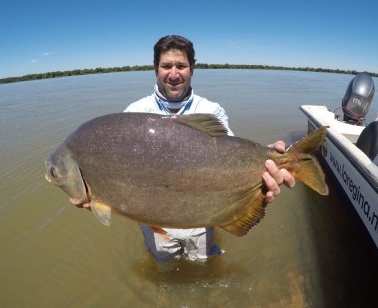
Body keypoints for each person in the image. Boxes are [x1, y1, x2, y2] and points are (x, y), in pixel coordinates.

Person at [123, 35, 296, 263]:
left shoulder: (211, 110)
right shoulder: (133, 115)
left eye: (181, 66)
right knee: (162, 267)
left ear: (192, 69)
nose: (174, 74)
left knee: (204, 266)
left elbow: (230, 157)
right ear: (155, 69)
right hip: (154, 221)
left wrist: (265, 157)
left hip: (203, 216)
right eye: (166, 66)